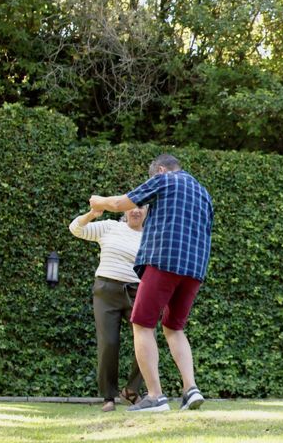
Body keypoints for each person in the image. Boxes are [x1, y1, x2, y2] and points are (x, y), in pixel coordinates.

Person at [88, 154, 214, 413]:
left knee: (142, 324)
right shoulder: (203, 193)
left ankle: (155, 396)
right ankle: (191, 389)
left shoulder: (164, 180)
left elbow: (121, 202)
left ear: (160, 170)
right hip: (194, 269)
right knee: (174, 328)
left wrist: (99, 201)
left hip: (163, 260)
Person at [68, 204, 148, 412]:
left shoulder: (151, 236)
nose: (136, 211)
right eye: (131, 207)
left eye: (141, 207)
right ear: (124, 210)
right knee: (108, 343)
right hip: (106, 290)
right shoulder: (109, 227)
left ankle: (131, 391)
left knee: (148, 342)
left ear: (147, 211)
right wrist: (91, 215)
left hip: (137, 292)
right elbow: (76, 229)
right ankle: (108, 397)